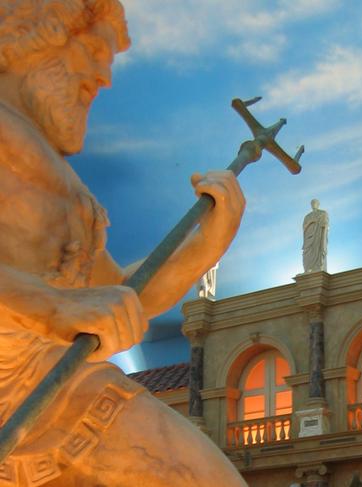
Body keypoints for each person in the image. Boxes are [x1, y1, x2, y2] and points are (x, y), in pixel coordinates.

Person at [0, 1, 246, 485]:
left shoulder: (58, 180)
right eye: (94, 50)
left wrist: (208, 242)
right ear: (36, 38)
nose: (104, 77)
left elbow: (122, 296)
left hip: (56, 395)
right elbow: (72, 307)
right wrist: (52, 309)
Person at [302, 199, 328, 273]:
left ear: (318, 204)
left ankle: (318, 267)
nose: (313, 204)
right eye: (312, 203)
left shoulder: (323, 213)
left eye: (315, 203)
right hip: (309, 238)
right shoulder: (307, 216)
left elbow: (326, 224)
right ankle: (308, 269)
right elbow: (304, 227)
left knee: (318, 249)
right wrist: (311, 221)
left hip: (318, 236)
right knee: (307, 252)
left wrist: (324, 227)